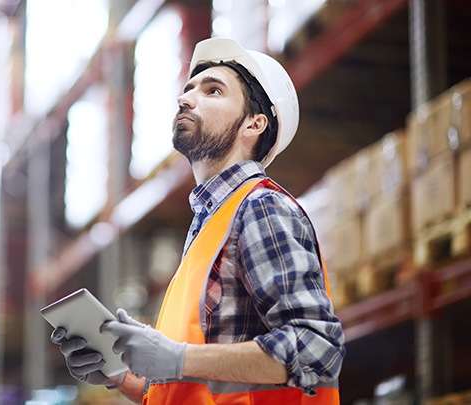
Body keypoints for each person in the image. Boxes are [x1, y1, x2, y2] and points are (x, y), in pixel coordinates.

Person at [50, 37, 345, 404]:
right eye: (189, 89)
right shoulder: (208, 230)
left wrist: (176, 357)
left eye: (213, 90)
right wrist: (121, 376)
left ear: (254, 124)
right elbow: (193, 390)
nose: (185, 98)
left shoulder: (261, 208)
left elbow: (316, 348)